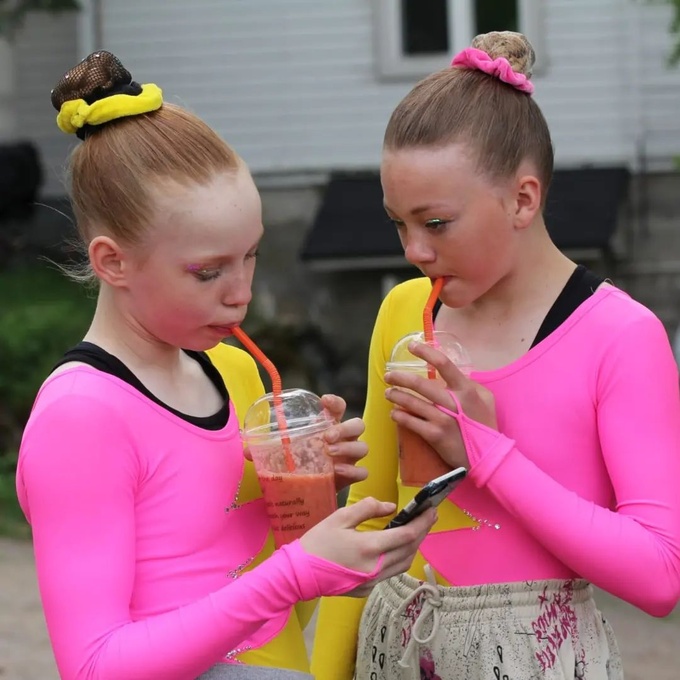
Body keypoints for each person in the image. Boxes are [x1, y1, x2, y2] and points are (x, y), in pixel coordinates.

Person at [14, 51, 437, 680]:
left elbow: (274, 610)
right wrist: (296, 570)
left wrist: (319, 508)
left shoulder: (235, 372)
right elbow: (95, 665)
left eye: (251, 256)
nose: (240, 294)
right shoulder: (81, 418)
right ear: (113, 262)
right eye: (207, 272)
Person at [311, 31, 680, 680]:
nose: (414, 251)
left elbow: (658, 575)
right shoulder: (405, 312)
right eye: (399, 223)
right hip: (393, 649)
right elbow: (369, 523)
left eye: (435, 223)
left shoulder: (620, 335)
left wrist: (487, 454)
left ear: (523, 199)